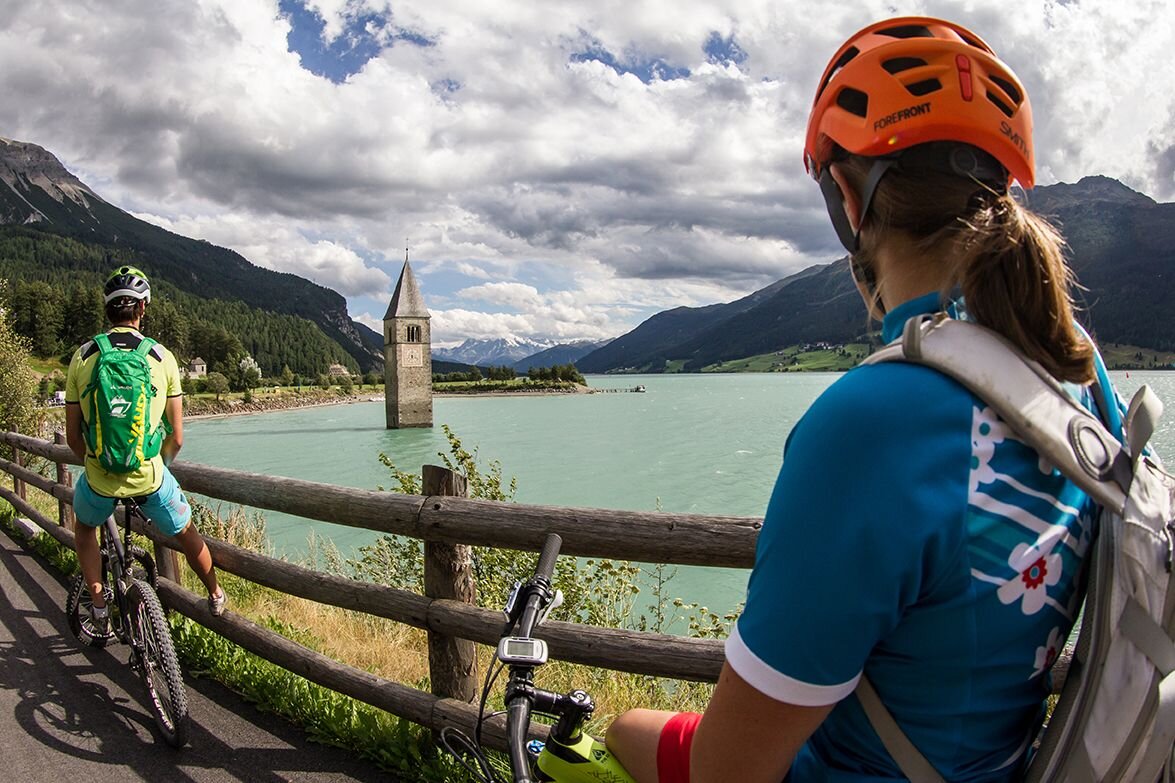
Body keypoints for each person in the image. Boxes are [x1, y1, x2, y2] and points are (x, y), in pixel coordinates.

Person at [606, 16, 1123, 783]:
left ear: (846, 199)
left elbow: (728, 770)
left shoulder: (871, 422)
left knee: (621, 730)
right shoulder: (1076, 369)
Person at [65, 265, 226, 631]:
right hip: (149, 476)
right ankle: (215, 594)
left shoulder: (83, 356)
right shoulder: (161, 357)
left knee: (85, 529)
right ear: (142, 308)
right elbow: (177, 437)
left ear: (108, 309)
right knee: (185, 531)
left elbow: (73, 436)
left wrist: (96, 462)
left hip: (99, 478)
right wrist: (158, 465)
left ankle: (98, 605)